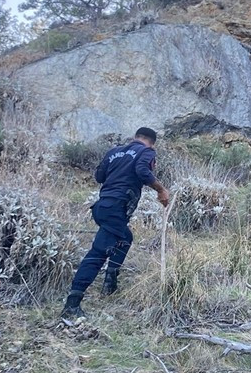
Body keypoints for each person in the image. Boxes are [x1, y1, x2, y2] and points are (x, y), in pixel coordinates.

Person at [61, 127, 170, 318]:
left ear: (135, 138)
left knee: (125, 237)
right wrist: (161, 190)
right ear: (151, 142)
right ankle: (72, 305)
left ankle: (110, 283)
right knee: (98, 253)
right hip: (116, 208)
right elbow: (142, 170)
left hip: (101, 207)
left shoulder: (114, 152)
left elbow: (99, 177)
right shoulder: (146, 152)